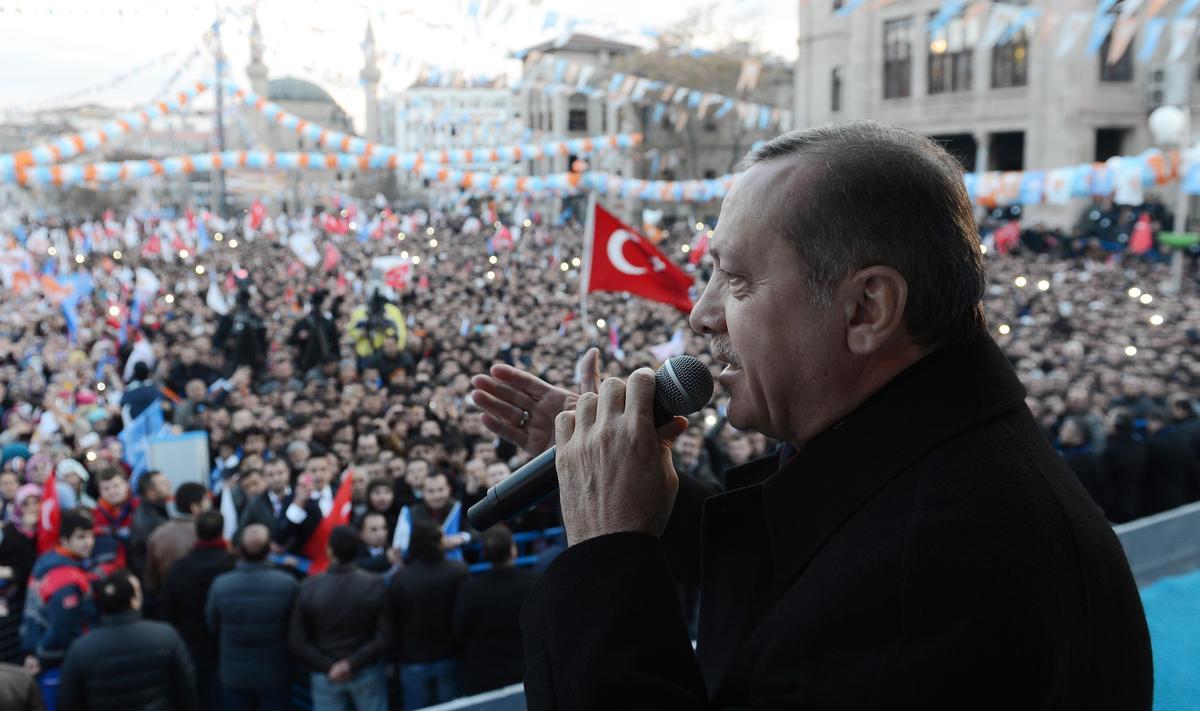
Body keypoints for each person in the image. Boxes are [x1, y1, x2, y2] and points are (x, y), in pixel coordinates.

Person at [471, 123, 1151, 707]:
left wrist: (605, 549)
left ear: (866, 308)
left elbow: (847, 586)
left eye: (736, 280)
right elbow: (807, 552)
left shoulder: (941, 572)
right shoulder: (929, 456)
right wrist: (647, 491)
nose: (701, 314)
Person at [57, 569, 197, 711]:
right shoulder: (166, 636)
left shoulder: (80, 650)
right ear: (134, 601)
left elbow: (68, 702)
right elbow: (187, 691)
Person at [289, 526, 391, 711]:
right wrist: (348, 664)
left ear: (329, 550)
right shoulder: (374, 584)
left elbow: (297, 641)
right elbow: (385, 636)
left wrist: (333, 666)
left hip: (329, 674)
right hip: (363, 671)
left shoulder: (309, 587)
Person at [206, 524, 297, 711]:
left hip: (235, 674)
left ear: (239, 550)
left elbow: (212, 624)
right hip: (274, 673)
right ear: (269, 550)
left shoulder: (221, 585)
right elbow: (295, 628)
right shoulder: (287, 584)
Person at [161, 510, 236, 711]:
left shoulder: (179, 568)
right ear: (222, 532)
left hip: (191, 643)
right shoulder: (232, 564)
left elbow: (168, 609)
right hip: (225, 644)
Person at [389, 521, 468, 709]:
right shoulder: (458, 572)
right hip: (449, 656)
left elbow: (392, 622)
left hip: (413, 659)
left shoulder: (400, 579)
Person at [452, 525, 538, 695]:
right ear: (513, 550)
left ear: (484, 553)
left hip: (484, 675)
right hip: (527, 670)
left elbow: (460, 630)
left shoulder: (470, 590)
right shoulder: (533, 582)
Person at [20, 509, 98, 674]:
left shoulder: (46, 560)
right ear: (64, 539)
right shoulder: (67, 580)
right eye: (81, 537)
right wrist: (41, 657)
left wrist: (32, 652)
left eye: (91, 536)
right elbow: (60, 631)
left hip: (36, 648)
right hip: (63, 660)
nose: (89, 542)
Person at [144, 482, 210, 600]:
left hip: (166, 599)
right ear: (195, 507)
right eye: (206, 501)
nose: (210, 504)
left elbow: (150, 577)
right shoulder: (206, 534)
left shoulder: (158, 534)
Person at [393, 472, 471, 561]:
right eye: (431, 491)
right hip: (421, 564)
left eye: (441, 489)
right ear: (422, 492)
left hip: (455, 564)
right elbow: (401, 547)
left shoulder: (459, 508)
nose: (436, 496)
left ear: (449, 489)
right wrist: (438, 543)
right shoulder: (409, 513)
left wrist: (463, 537)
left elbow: (475, 531)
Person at [92, 466, 139, 571]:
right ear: (99, 492)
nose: (112, 492)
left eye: (116, 486)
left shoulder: (139, 508)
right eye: (106, 489)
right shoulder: (95, 516)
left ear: (126, 485)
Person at [236, 457, 292, 543]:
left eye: (280, 473)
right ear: (264, 477)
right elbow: (240, 533)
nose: (276, 478)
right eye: (270, 475)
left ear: (288, 472)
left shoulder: (300, 495)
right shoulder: (255, 503)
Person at [128, 470, 171, 579]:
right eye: (163, 483)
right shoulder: (153, 522)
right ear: (151, 493)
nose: (169, 484)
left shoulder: (150, 511)